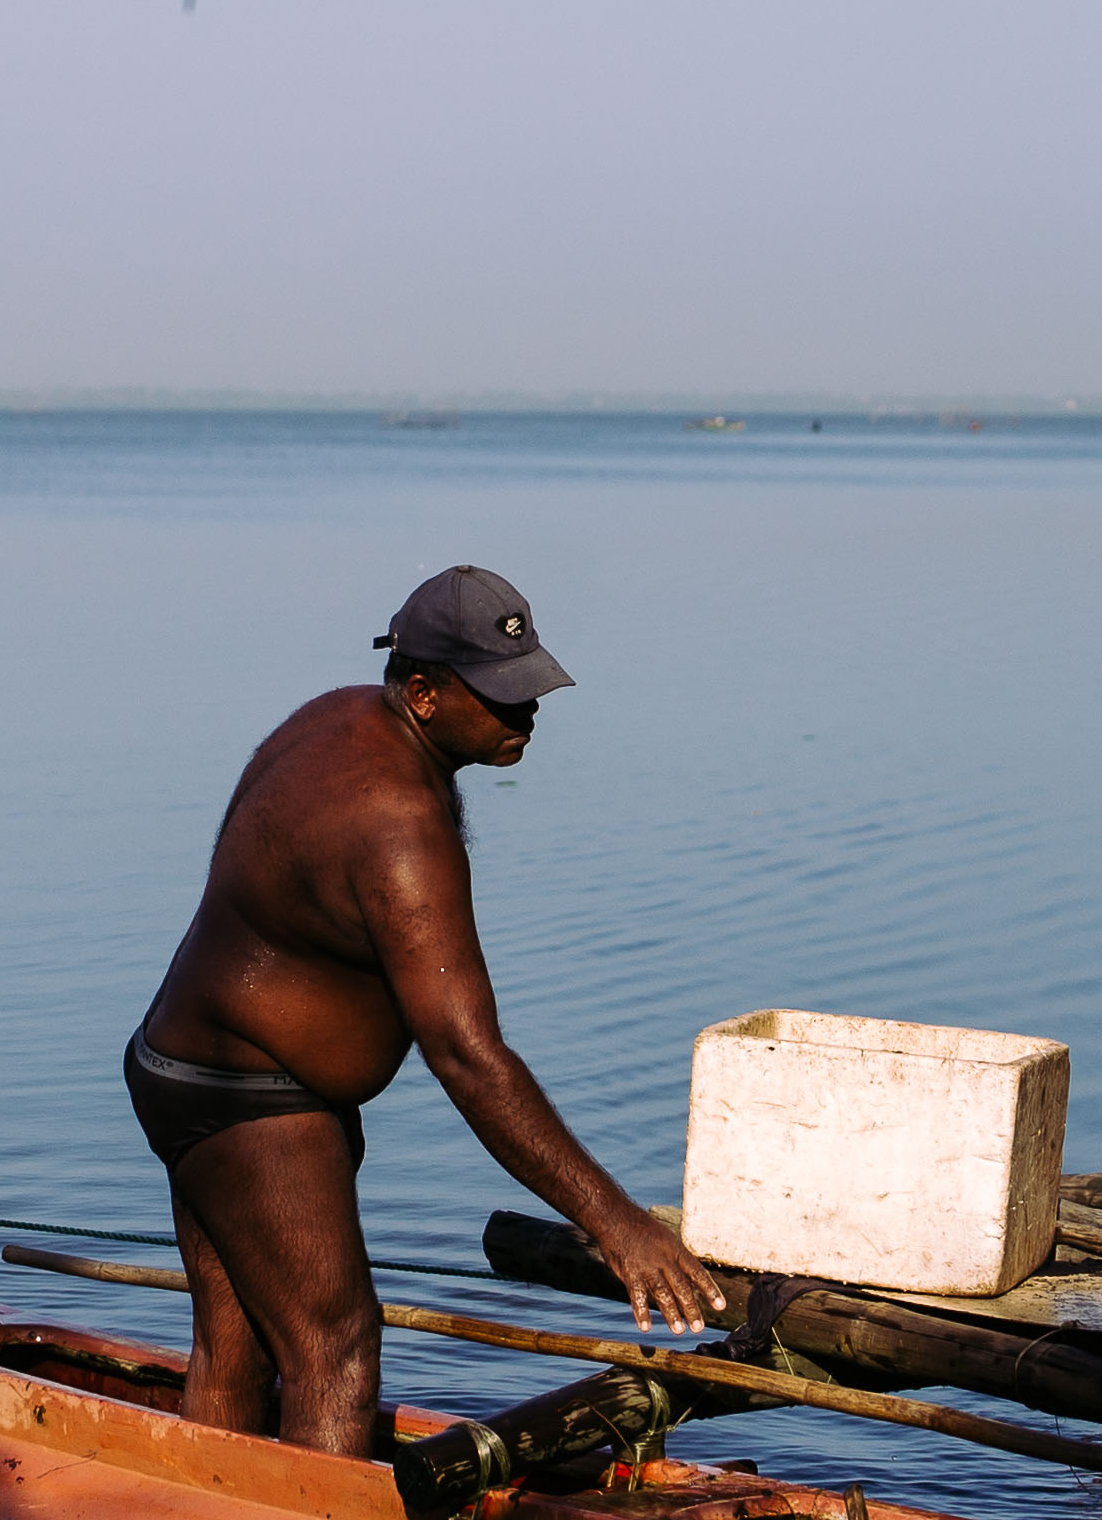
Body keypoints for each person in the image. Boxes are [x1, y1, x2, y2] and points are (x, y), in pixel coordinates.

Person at [128, 566, 728, 1452]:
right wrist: (618, 1223)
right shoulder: (400, 819)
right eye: (501, 695)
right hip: (249, 1097)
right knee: (336, 1349)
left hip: (182, 1062)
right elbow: (467, 1055)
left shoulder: (337, 720)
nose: (528, 713)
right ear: (423, 692)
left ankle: (213, 1517)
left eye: (530, 688)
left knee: (239, 1340)